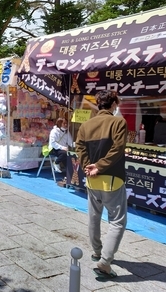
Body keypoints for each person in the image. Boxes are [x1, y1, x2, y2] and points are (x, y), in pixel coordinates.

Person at [75, 90, 128, 279]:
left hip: (92, 179)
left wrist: (89, 167)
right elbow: (118, 148)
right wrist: (99, 166)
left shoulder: (86, 125)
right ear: (113, 104)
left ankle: (97, 251)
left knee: (94, 216)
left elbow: (79, 147)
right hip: (112, 179)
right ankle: (105, 262)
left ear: (99, 104)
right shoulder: (118, 122)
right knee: (118, 221)